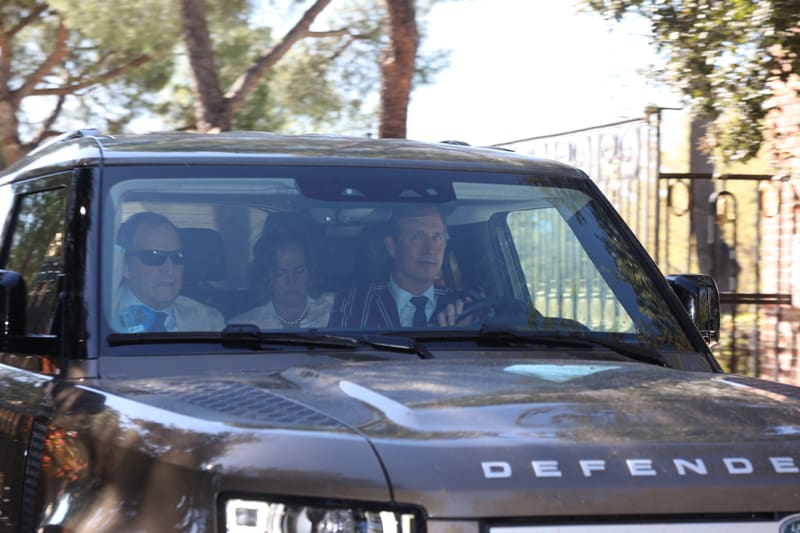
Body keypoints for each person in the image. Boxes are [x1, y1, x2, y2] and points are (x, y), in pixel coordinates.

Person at [329, 206, 477, 328]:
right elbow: (339, 359)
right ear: (392, 246)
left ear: (445, 244)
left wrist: (464, 334)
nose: (430, 249)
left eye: (437, 237)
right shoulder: (355, 303)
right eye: (416, 237)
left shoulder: (464, 307)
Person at [112, 212, 225, 332]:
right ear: (125, 267)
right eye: (154, 257)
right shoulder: (98, 318)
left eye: (177, 257)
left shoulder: (208, 321)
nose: (169, 270)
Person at [231, 230, 334, 328]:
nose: (291, 281)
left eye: (299, 271)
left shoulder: (338, 310)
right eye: (280, 273)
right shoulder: (244, 326)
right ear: (265, 277)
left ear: (311, 272)